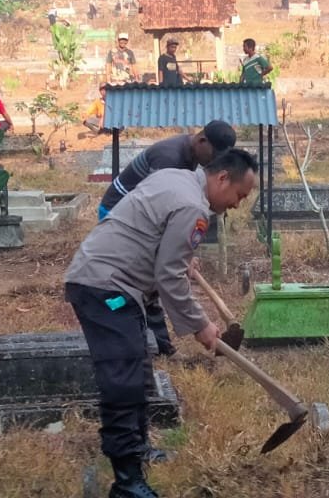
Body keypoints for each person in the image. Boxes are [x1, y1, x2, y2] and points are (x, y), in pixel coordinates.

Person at [66, 149, 259, 498]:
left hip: (112, 283)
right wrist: (201, 326)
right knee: (123, 380)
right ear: (222, 179)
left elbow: (152, 234)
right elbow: (168, 277)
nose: (236, 205)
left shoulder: (178, 179)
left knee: (138, 369)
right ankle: (126, 482)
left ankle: (138, 452)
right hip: (105, 286)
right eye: (239, 196)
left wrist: (178, 255)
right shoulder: (193, 207)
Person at [100, 120, 237, 221]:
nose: (214, 161)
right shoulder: (169, 158)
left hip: (133, 209)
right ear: (202, 141)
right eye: (214, 155)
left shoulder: (191, 150)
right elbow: (157, 205)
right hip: (115, 210)